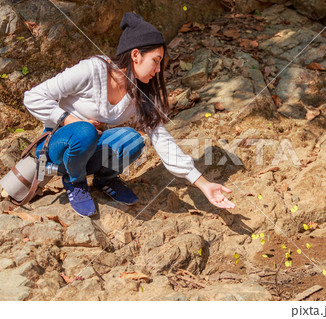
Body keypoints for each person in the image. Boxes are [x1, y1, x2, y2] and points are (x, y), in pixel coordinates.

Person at [23, 12, 235, 217]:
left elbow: (163, 141)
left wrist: (203, 184)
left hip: (90, 149)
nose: (159, 69)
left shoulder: (139, 92)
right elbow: (33, 97)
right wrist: (73, 120)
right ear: (136, 55)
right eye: (156, 60)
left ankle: (104, 179)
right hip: (59, 147)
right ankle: (74, 181)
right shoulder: (92, 70)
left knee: (132, 140)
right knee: (84, 131)